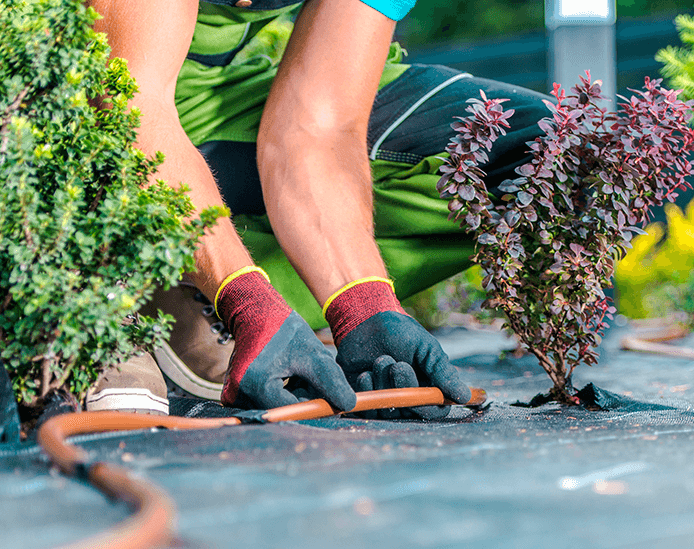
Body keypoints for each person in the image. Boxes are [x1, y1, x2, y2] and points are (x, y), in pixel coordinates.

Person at [85, 0, 551, 416]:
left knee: (556, 155)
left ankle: (194, 292)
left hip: (213, 102)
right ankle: (106, 281)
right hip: (91, 80)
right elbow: (129, 101)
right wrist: (246, 300)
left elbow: (316, 128)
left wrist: (364, 309)